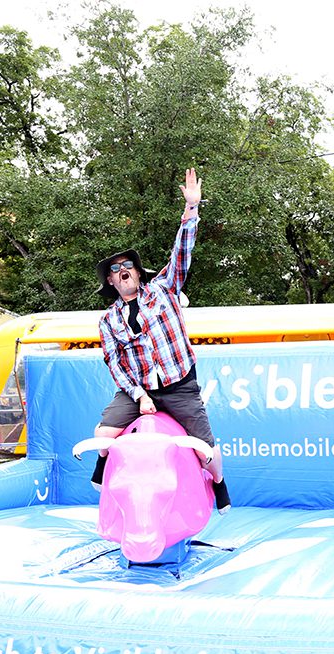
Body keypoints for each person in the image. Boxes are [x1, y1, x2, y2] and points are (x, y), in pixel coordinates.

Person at [90, 167, 230, 512]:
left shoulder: (164, 289)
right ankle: (103, 465)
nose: (122, 271)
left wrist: (191, 209)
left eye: (127, 266)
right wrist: (138, 395)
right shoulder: (108, 320)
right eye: (115, 270)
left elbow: (182, 253)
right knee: (103, 436)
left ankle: (220, 483)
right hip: (138, 388)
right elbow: (116, 365)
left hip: (178, 384)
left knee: (205, 449)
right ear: (110, 282)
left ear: (138, 272)